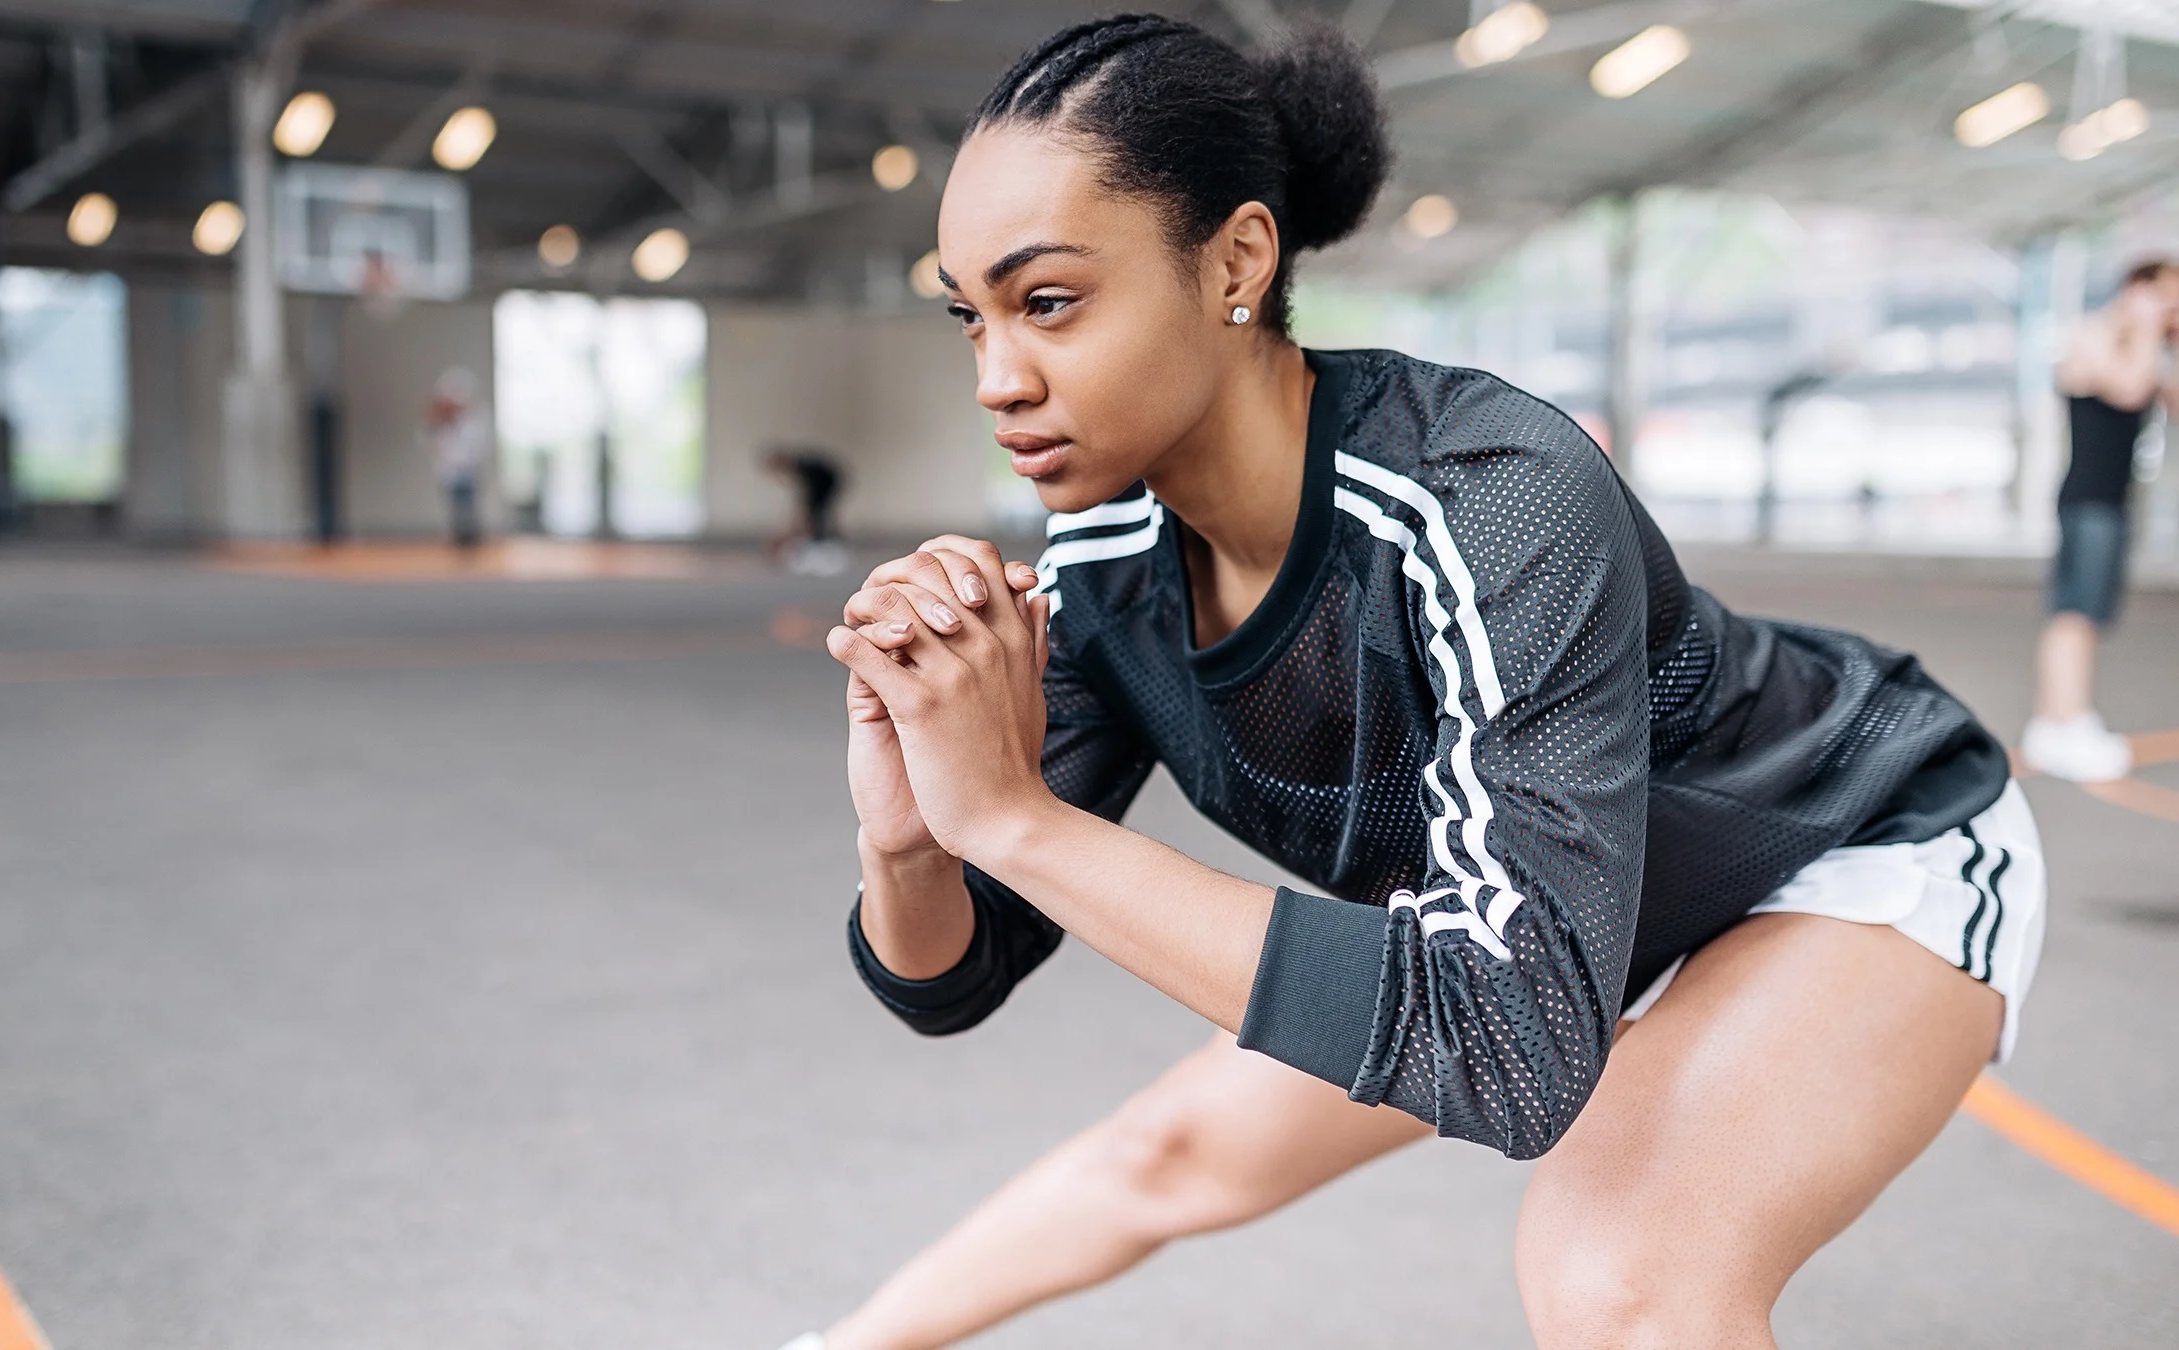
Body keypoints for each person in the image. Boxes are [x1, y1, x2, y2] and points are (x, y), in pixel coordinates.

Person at [782, 15, 2046, 1350]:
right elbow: (951, 979)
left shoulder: (1485, 496)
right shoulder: (1103, 563)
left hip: (1848, 835)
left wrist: (1015, 820)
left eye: (1048, 302)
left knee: (1619, 1275)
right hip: (1546, 915)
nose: (995, 375)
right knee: (1171, 1150)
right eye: (968, 316)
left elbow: (1511, 1045)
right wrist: (914, 835)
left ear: (1235, 263)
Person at [2020, 260, 2178, 781]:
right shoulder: (2092, 336)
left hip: (2111, 501)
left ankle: (2055, 723)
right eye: (2165, 298)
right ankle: (2066, 721)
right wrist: (2151, 329)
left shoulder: (2144, 351)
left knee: (2085, 614)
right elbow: (2129, 389)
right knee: (2075, 614)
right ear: (2137, 290)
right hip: (2086, 499)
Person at [424, 367, 489, 549]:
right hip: (450, 471)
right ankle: (459, 539)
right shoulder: (439, 424)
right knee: (454, 507)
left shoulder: (474, 421)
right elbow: (431, 441)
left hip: (468, 470)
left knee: (468, 506)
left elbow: (477, 445)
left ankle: (471, 540)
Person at [764, 446, 850, 575]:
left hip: (826, 485)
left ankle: (821, 545)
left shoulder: (805, 468)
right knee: (817, 515)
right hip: (826, 484)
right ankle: (820, 541)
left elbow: (807, 499)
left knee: (818, 516)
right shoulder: (803, 466)